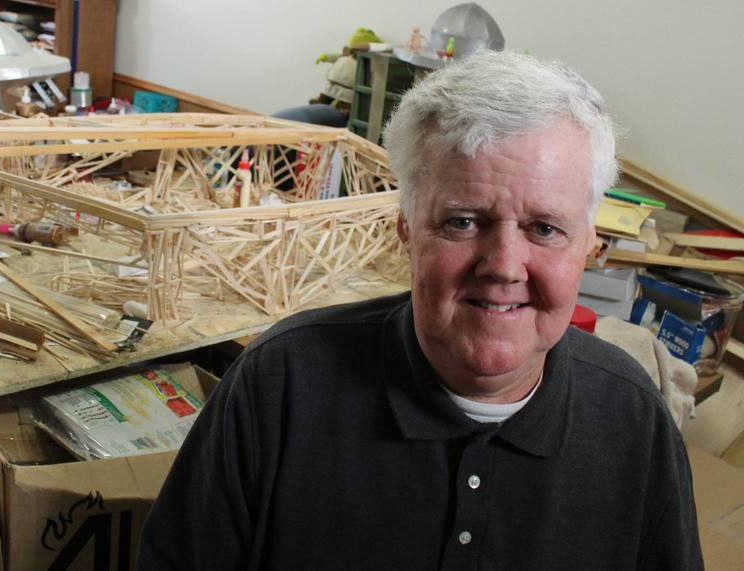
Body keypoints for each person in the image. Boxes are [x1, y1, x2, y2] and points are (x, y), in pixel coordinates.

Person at [137, 52, 702, 569]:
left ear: (588, 247)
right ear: (407, 230)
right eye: (464, 221)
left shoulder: (634, 421)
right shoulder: (279, 384)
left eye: (545, 229)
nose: (504, 265)